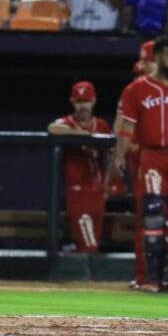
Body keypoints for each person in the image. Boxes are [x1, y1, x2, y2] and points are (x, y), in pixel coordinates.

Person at [110, 36, 168, 292]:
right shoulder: (137, 89)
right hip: (153, 157)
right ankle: (151, 278)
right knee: (152, 214)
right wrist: (119, 156)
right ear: (158, 57)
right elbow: (127, 127)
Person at [47, 81, 113, 253]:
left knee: (94, 244)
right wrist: (83, 135)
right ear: (72, 102)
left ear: (94, 101)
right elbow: (52, 128)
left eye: (86, 101)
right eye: (79, 102)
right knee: (88, 245)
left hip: (98, 192)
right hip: (77, 192)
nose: (82, 106)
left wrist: (109, 181)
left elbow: (112, 152)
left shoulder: (102, 125)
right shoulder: (66, 123)